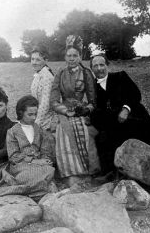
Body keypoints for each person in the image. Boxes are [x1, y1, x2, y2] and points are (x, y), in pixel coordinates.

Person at [90, 53, 150, 175]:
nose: (99, 68)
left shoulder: (120, 76)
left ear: (107, 66)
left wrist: (126, 109)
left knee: (147, 139)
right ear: (91, 69)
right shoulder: (92, 87)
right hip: (113, 122)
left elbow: (135, 94)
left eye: (102, 64)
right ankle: (114, 172)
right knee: (103, 139)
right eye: (95, 66)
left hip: (133, 115)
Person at [0, 95, 56, 201]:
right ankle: (31, 189)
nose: (34, 117)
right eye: (30, 114)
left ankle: (31, 189)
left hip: (39, 163)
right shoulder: (12, 131)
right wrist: (34, 161)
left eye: (35, 114)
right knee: (27, 175)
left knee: (49, 169)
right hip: (20, 164)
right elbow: (13, 156)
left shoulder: (39, 129)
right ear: (21, 113)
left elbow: (45, 149)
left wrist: (45, 159)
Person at [50, 35, 100, 186]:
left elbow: (93, 101)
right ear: (65, 57)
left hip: (81, 110)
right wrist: (65, 111)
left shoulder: (86, 73)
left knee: (85, 131)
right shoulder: (60, 73)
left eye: (75, 56)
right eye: (69, 56)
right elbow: (53, 100)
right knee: (64, 132)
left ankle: (89, 172)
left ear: (80, 57)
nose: (71, 58)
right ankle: (71, 174)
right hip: (64, 111)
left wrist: (85, 109)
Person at [30, 46, 55, 131]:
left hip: (46, 122)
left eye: (38, 60)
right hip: (37, 117)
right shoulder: (39, 74)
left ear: (46, 61)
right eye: (32, 59)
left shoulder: (47, 77)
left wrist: (36, 124)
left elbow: (45, 105)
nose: (34, 62)